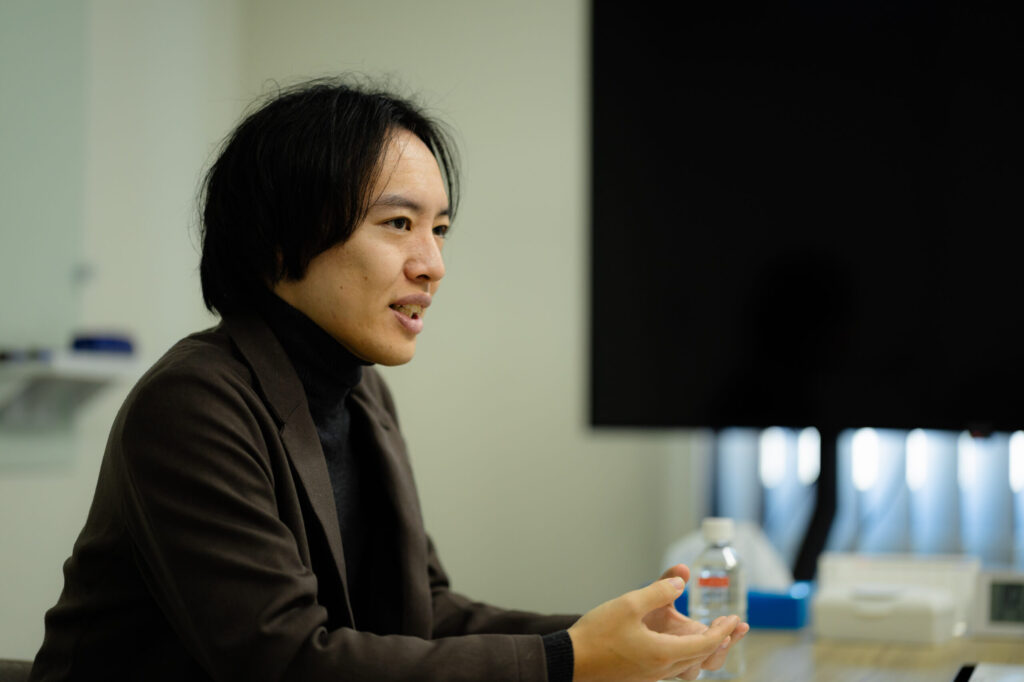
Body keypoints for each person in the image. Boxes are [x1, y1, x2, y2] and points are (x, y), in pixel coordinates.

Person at [29, 77, 748, 681]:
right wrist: (567, 660)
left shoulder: (362, 393)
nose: (433, 264)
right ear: (280, 240)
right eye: (399, 223)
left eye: (440, 229)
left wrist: (604, 636)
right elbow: (284, 661)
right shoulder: (193, 404)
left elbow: (422, 611)